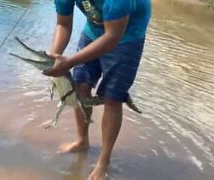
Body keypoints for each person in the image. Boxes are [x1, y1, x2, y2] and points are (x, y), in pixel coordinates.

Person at [43, 0, 151, 179]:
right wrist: (54, 58)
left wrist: (69, 62)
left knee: (112, 98)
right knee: (80, 85)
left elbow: (111, 38)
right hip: (94, 31)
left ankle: (104, 161)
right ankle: (82, 141)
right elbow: (63, 24)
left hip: (127, 36)